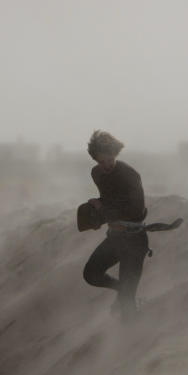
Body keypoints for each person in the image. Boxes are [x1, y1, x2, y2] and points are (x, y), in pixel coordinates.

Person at [81, 130, 149, 321]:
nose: (106, 165)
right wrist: (97, 216)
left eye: (109, 159)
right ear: (95, 159)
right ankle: (124, 290)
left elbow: (135, 210)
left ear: (115, 154)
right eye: (101, 161)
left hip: (134, 240)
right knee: (91, 274)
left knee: (126, 309)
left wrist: (103, 207)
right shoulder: (97, 174)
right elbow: (111, 199)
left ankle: (133, 338)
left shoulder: (130, 175)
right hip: (115, 238)